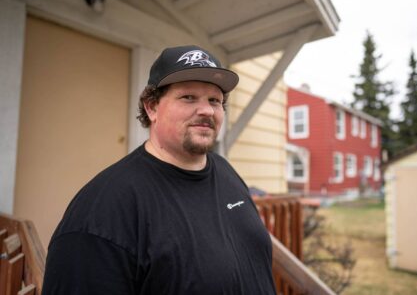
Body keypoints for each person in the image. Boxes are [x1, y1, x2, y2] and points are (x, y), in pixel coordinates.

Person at [42, 45, 276, 294]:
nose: (207, 110)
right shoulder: (102, 210)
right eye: (188, 97)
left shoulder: (225, 170)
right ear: (151, 107)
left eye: (214, 100)